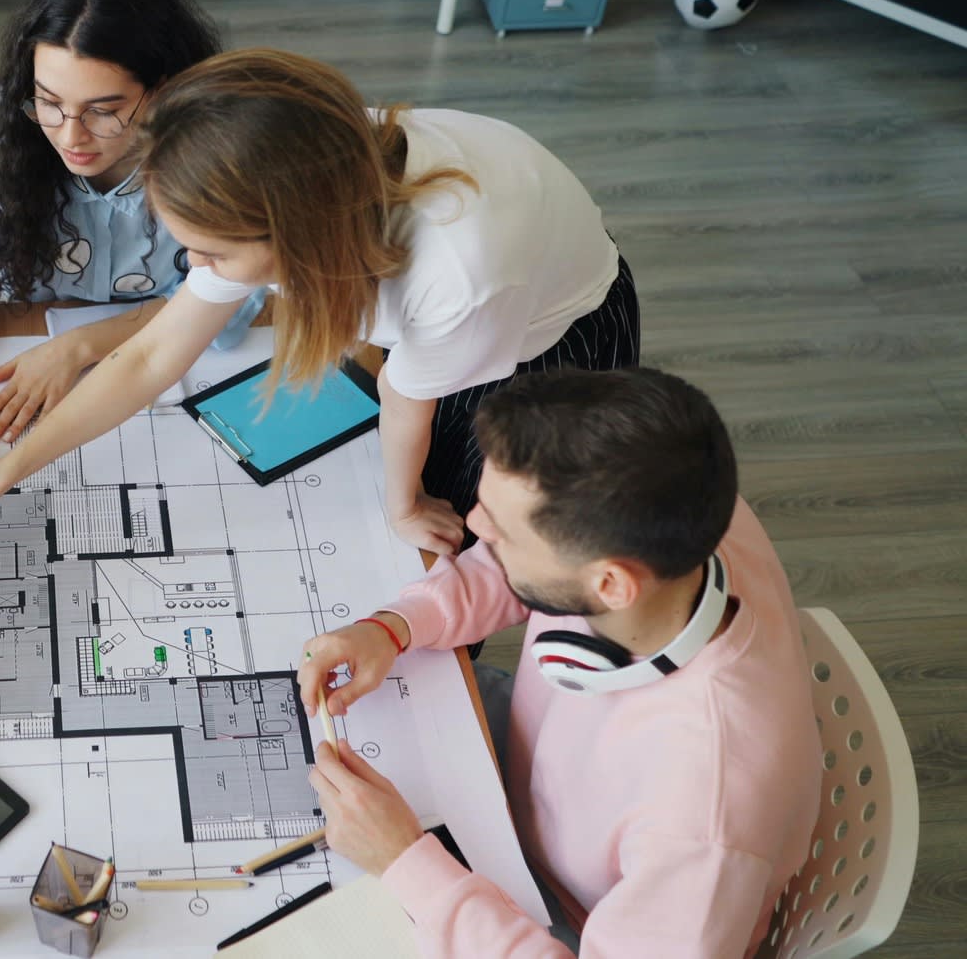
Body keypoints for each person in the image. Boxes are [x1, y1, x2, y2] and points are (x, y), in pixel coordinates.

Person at [0, 48, 637, 559]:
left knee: (478, 525)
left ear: (292, 233)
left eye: (215, 255)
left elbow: (406, 393)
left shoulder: (457, 274)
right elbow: (150, 355)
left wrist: (404, 506)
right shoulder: (278, 170)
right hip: (453, 289)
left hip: (546, 337)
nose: (196, 271)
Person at [299, 367, 821, 957]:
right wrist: (393, 628)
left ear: (611, 585)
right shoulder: (671, 509)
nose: (473, 525)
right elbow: (517, 571)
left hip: (572, 916)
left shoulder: (704, 821)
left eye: (501, 533)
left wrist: (404, 860)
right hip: (530, 783)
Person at [0, 0, 262, 484]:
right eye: (48, 102)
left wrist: (80, 345)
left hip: (179, 343)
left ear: (162, 90)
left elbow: (235, 297)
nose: (71, 137)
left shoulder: (215, 152)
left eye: (103, 110)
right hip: (58, 332)